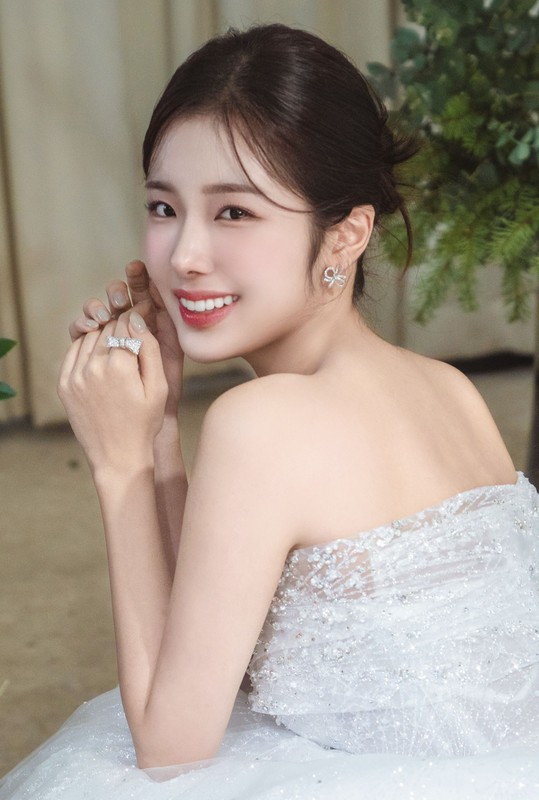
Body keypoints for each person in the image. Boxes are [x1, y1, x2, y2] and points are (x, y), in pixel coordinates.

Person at [1, 22, 539, 799]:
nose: (185, 256)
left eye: (234, 213)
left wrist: (118, 468)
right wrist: (158, 435)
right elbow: (219, 642)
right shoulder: (446, 386)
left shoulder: (262, 423)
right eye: (163, 206)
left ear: (345, 235)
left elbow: (171, 747)